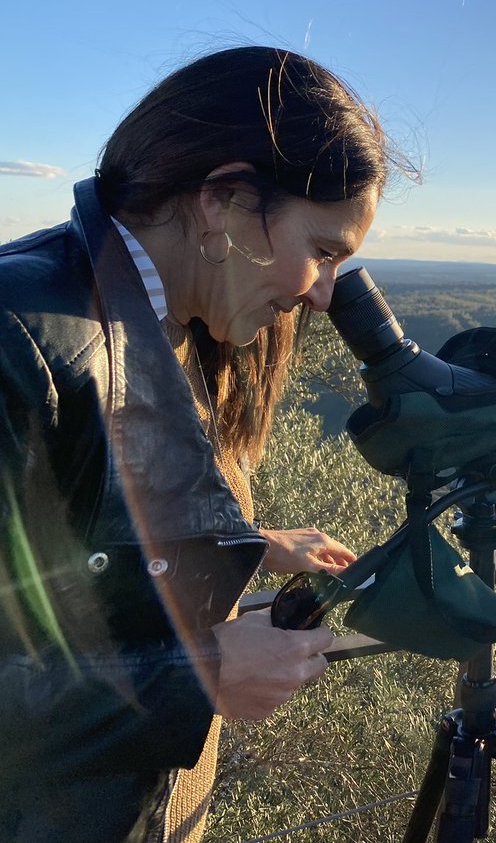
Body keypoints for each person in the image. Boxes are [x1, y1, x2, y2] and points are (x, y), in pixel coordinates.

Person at [0, 46, 411, 841]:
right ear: (222, 199)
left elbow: (68, 561)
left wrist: (243, 545)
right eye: (323, 251)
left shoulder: (168, 317)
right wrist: (201, 679)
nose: (324, 297)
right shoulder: (20, 342)